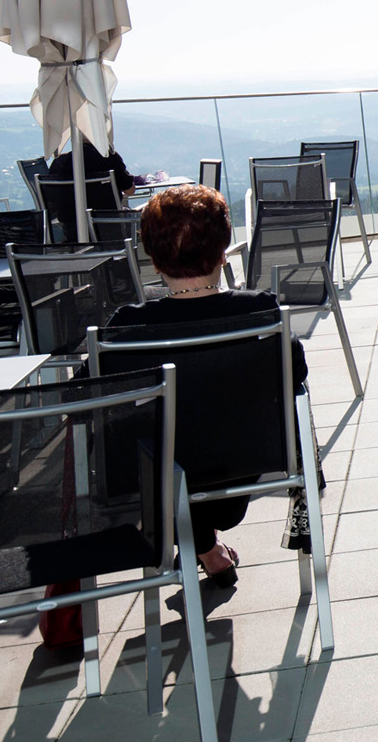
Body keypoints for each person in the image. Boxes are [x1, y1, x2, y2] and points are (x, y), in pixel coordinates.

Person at [103, 184, 312, 588]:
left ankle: (200, 544)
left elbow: (91, 400)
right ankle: (206, 546)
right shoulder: (259, 311)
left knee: (167, 437)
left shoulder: (127, 327)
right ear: (223, 249)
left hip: (156, 482)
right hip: (243, 468)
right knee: (210, 422)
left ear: (151, 256)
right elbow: (296, 376)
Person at [41, 136, 137, 235]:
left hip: (72, 232)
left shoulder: (60, 162)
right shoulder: (109, 158)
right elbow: (130, 190)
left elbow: (52, 201)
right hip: (108, 228)